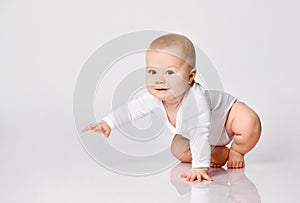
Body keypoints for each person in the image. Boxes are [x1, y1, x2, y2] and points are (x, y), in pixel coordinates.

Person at [82, 33, 261, 182]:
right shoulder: (156, 95)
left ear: (190, 76)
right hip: (201, 136)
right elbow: (133, 109)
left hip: (226, 119)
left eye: (169, 72)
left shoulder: (196, 101)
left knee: (248, 122)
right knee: (177, 149)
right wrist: (108, 122)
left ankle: (236, 151)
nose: (159, 79)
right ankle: (219, 153)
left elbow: (200, 134)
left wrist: (200, 167)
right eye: (152, 71)